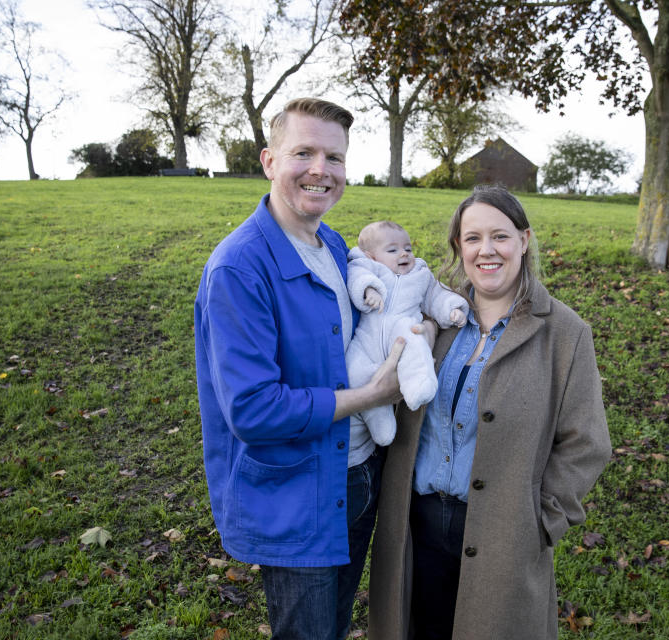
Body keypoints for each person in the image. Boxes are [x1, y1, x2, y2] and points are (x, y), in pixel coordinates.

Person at [194, 97, 406, 640]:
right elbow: (252, 409)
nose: (321, 170)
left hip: (357, 475)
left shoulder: (333, 246)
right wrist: (370, 395)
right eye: (303, 153)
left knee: (333, 628)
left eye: (334, 158)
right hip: (296, 496)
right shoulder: (240, 268)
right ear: (268, 161)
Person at [368, 184, 612, 640]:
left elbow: (586, 443)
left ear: (524, 240)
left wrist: (542, 522)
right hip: (414, 528)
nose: (487, 250)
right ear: (458, 246)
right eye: (473, 238)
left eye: (500, 236)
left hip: (505, 533)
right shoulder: (435, 320)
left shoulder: (564, 333)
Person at [345, 220, 468, 446]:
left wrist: (452, 308)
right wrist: (369, 289)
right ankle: (377, 415)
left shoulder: (419, 274)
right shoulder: (368, 267)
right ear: (371, 256)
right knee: (353, 372)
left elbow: (435, 294)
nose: (404, 254)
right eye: (392, 250)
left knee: (414, 342)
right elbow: (356, 276)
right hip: (366, 339)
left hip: (402, 328)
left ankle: (418, 384)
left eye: (408, 248)